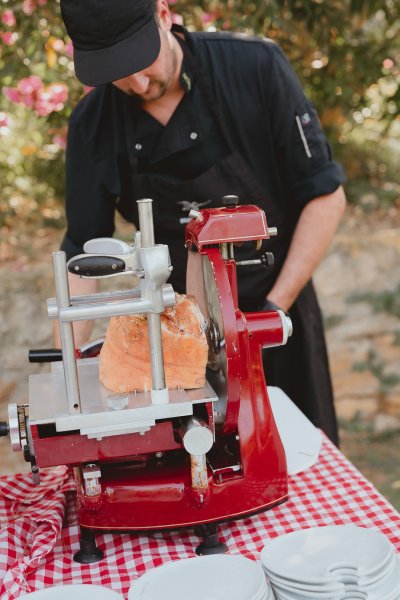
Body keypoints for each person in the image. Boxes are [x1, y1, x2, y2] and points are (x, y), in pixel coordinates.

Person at [58, 0, 347, 444]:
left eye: (141, 60)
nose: (137, 83)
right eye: (117, 71)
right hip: (174, 347)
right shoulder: (92, 126)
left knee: (300, 461)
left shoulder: (255, 68)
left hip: (276, 314)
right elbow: (84, 252)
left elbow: (325, 197)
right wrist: (69, 370)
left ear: (163, 13)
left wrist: (269, 316)